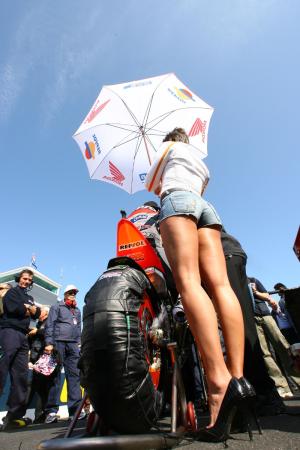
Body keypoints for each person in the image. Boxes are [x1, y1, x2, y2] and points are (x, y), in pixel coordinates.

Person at [145, 127, 249, 442]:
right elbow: (200, 188)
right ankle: (238, 378)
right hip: (206, 208)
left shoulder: (166, 151)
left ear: (169, 140)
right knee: (221, 287)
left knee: (189, 283)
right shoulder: (200, 161)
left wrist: (159, 167)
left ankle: (218, 383)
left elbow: (154, 186)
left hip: (177, 202)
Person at [221, 230, 285, 416]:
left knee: (239, 327)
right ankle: (262, 392)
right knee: (242, 325)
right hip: (230, 253)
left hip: (223, 255)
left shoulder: (177, 206)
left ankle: (263, 394)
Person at [0, 269, 41, 431]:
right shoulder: (12, 293)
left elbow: (37, 313)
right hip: (9, 332)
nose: (27, 281)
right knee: (2, 371)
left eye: (29, 280)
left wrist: (30, 309)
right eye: (24, 278)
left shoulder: (29, 297)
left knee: (21, 377)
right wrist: (29, 310)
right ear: (19, 279)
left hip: (23, 337)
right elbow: (13, 309)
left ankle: (14, 415)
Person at [249, 277, 300, 399]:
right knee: (265, 353)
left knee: (282, 345)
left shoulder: (252, 280)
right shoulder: (235, 283)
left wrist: (255, 292)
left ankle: (298, 380)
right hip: (251, 319)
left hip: (265, 315)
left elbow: (267, 296)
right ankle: (281, 387)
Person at [44, 284, 85, 424]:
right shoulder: (56, 307)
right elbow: (50, 324)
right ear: (65, 294)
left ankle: (75, 411)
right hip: (58, 343)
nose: (73, 294)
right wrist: (49, 342)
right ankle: (51, 411)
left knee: (74, 376)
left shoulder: (78, 311)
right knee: (54, 376)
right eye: (70, 292)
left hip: (73, 345)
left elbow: (79, 327)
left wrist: (79, 343)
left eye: (75, 292)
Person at [27, 307, 53, 423]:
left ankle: (40, 414)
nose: (37, 312)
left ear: (45, 313)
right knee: (34, 387)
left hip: (42, 361)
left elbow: (49, 334)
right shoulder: (39, 324)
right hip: (35, 359)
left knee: (41, 389)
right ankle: (37, 414)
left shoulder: (49, 323)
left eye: (40, 310)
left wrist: (36, 331)